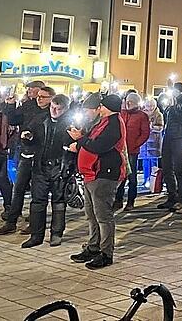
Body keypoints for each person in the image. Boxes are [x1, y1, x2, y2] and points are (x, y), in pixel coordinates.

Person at [68, 94, 127, 270]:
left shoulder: (114, 124)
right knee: (91, 214)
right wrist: (81, 140)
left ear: (107, 107)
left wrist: (80, 140)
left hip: (104, 174)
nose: (99, 108)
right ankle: (93, 246)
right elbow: (91, 141)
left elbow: (99, 146)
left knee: (103, 216)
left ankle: (106, 253)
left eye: (101, 106)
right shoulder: (103, 122)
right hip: (91, 174)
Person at [0, 83, 53, 234]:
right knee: (18, 188)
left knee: (37, 193)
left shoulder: (52, 111)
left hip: (41, 156)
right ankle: (11, 222)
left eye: (41, 95)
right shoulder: (28, 105)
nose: (37, 97)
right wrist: (9, 105)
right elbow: (13, 119)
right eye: (37, 95)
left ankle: (34, 224)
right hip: (26, 152)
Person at [20, 94, 73, 248]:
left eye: (58, 109)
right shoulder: (40, 119)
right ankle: (36, 235)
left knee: (59, 202)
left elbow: (75, 144)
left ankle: (56, 233)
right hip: (40, 166)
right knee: (37, 202)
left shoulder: (71, 123)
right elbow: (29, 136)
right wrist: (27, 138)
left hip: (60, 167)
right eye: (52, 107)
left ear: (66, 109)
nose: (54, 111)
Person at [159, 83, 182, 213]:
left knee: (179, 169)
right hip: (168, 137)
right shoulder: (171, 102)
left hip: (179, 138)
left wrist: (175, 105)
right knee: (166, 167)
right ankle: (171, 196)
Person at [116, 92, 150, 211]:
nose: (128, 104)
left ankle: (131, 201)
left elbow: (145, 133)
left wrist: (135, 144)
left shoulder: (142, 116)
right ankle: (118, 200)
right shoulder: (122, 113)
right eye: (127, 102)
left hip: (132, 151)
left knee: (132, 176)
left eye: (131, 102)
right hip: (121, 149)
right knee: (120, 175)